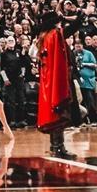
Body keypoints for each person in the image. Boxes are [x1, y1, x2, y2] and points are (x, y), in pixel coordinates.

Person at [34, 13, 77, 159]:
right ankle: (59, 147)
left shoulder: (43, 37)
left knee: (54, 114)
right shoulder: (54, 35)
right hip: (55, 78)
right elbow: (72, 29)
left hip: (48, 80)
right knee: (59, 113)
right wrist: (82, 16)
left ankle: (55, 146)